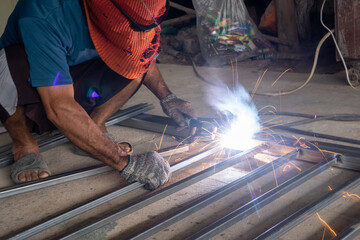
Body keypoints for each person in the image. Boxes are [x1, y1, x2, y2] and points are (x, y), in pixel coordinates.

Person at [0, 0, 197, 190]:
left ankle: (93, 126)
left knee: (135, 64)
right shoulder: (45, 14)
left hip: (76, 83)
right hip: (35, 88)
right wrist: (122, 161)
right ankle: (24, 144)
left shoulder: (135, 11)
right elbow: (58, 105)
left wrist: (167, 97)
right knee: (5, 63)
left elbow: (141, 58)